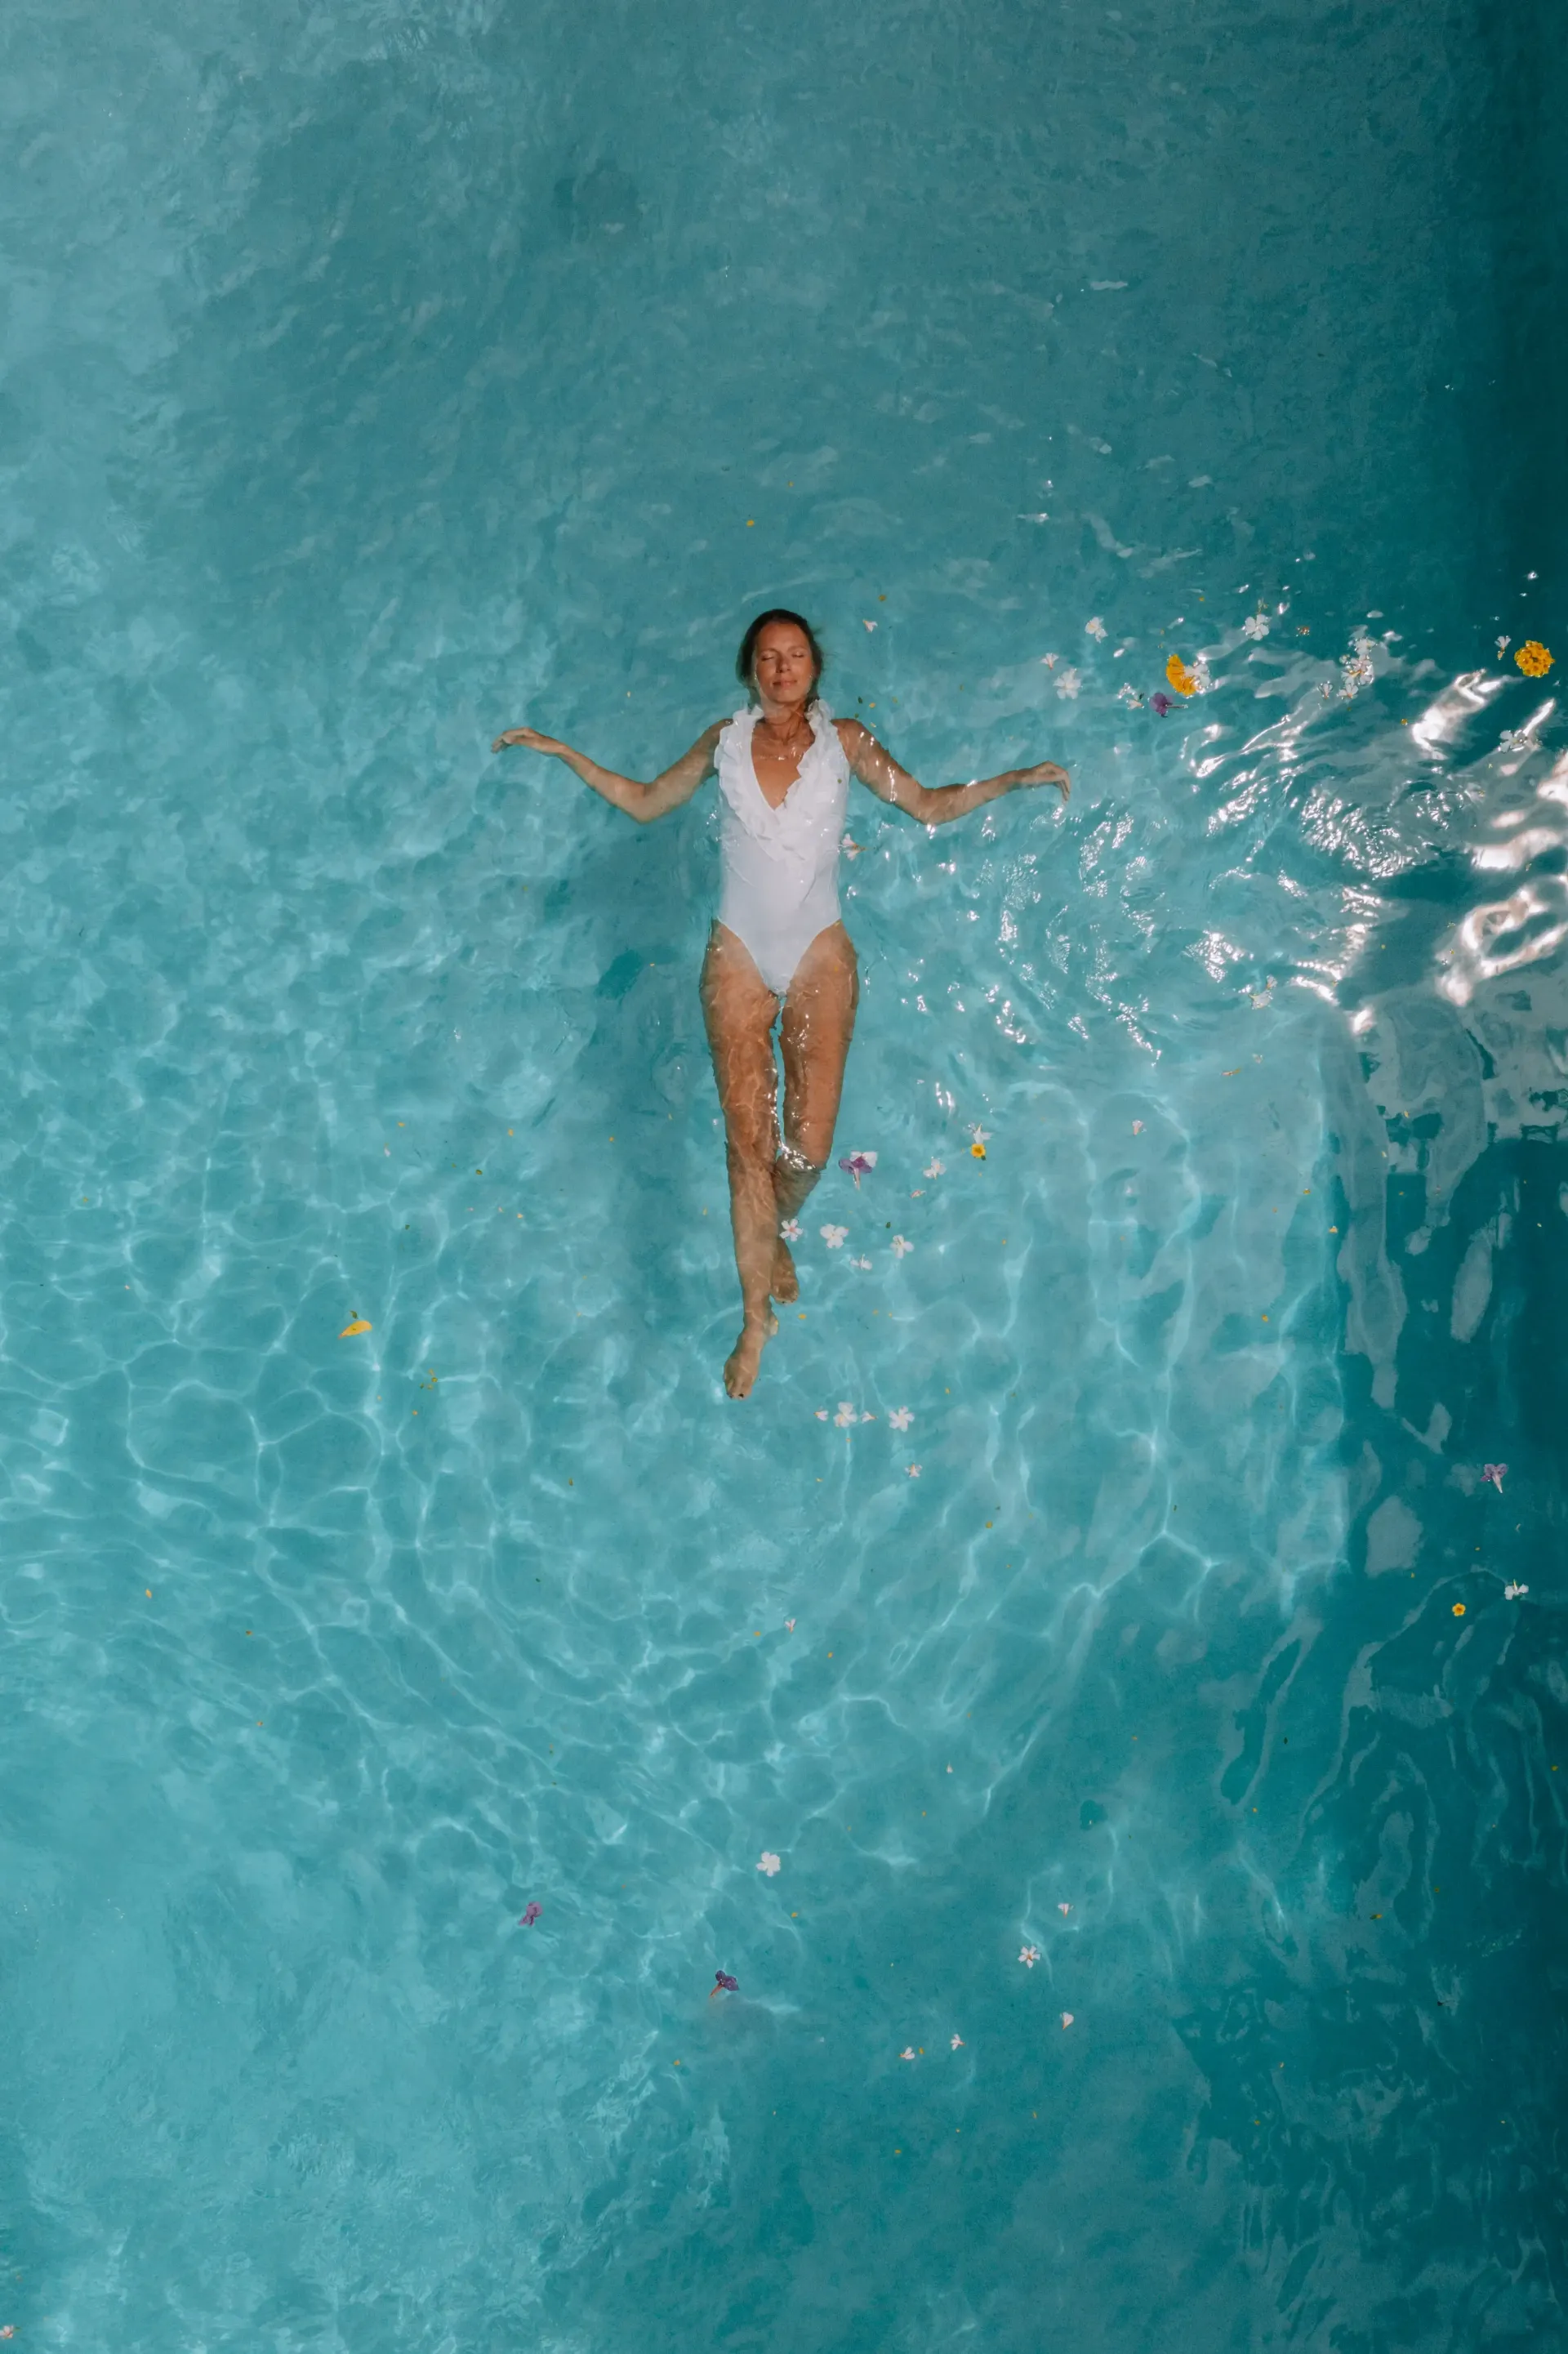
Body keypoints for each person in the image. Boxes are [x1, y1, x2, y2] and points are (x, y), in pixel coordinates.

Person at [493, 610, 1069, 1398]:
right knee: (746, 1149)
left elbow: (928, 804)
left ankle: (775, 1228)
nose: (783, 668)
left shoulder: (849, 744)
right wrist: (562, 752)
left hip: (818, 955)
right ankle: (752, 1317)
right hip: (736, 956)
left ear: (814, 668)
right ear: (750, 670)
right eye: (768, 658)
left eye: (795, 655)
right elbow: (643, 801)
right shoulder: (722, 744)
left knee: (809, 1148)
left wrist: (1014, 779)